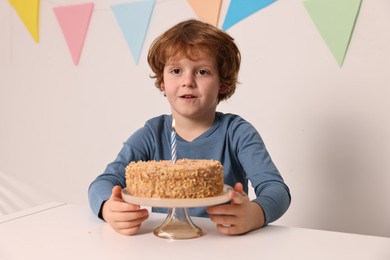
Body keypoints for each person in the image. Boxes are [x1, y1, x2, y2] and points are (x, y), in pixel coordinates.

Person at [88, 19, 291, 236]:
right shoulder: (151, 134)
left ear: (222, 84)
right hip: (166, 241)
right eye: (176, 70)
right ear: (162, 82)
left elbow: (276, 189)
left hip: (225, 243)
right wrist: (108, 208)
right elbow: (102, 183)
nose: (188, 81)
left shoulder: (237, 133)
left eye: (202, 72)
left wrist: (256, 213)